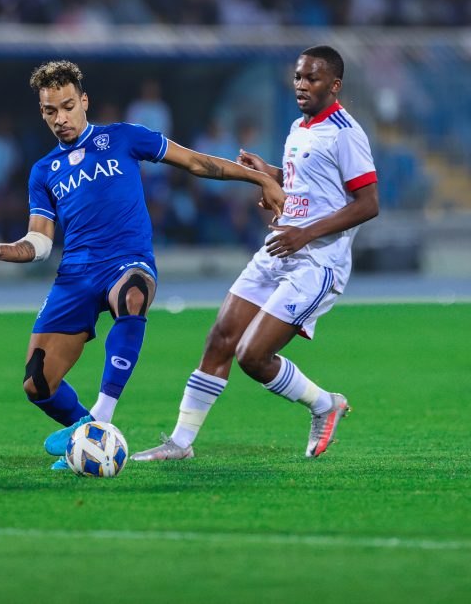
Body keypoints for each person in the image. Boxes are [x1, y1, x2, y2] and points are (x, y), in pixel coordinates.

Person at [0, 60, 286, 470]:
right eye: (50, 111)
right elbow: (40, 243)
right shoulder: (43, 171)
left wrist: (257, 179)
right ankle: (87, 433)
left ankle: (101, 417)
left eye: (67, 106)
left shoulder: (123, 137)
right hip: (76, 275)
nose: (60, 118)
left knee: (132, 295)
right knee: (37, 383)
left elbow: (194, 162)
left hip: (127, 261)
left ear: (84, 102)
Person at [131, 45, 380, 462]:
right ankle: (180, 443)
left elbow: (367, 203)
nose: (301, 85)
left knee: (253, 355)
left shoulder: (345, 133)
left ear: (335, 85)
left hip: (317, 262)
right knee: (220, 339)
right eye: (298, 76)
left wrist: (304, 234)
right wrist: (268, 173)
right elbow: (306, 186)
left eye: (312, 78)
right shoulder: (300, 127)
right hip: (279, 247)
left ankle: (324, 404)